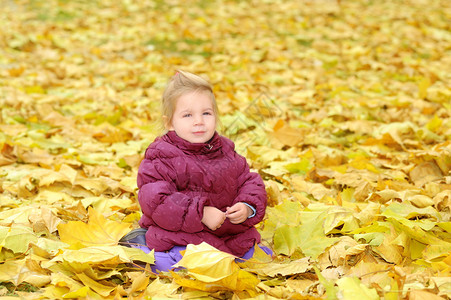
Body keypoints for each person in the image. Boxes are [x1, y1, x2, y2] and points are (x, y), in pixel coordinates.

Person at [120, 70, 270, 272]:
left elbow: (248, 181)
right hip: (182, 236)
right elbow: (157, 201)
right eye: (188, 115)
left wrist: (247, 206)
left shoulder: (225, 150)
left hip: (226, 235)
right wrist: (200, 213)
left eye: (206, 113)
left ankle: (222, 261)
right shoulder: (161, 155)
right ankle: (141, 247)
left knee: (262, 257)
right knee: (174, 263)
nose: (199, 121)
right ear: (170, 123)